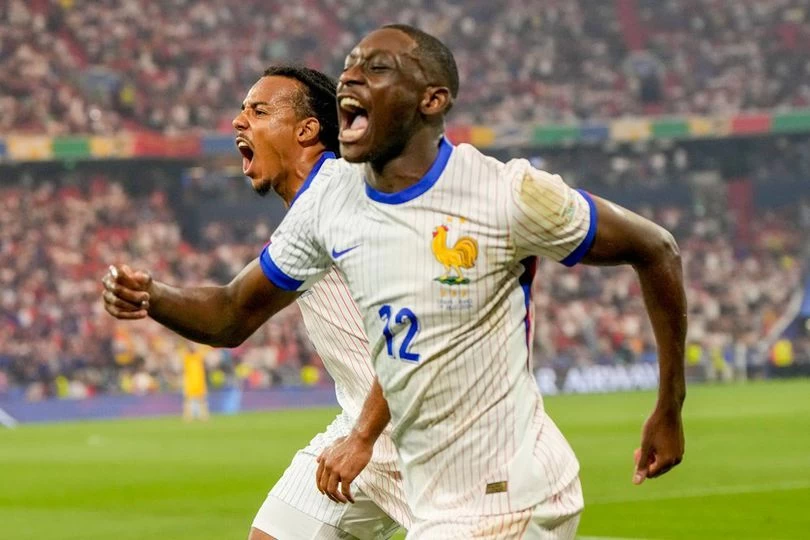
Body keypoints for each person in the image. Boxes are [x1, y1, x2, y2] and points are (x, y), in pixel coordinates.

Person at [105, 25, 686, 538]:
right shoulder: (327, 205)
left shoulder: (501, 194)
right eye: (350, 66)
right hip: (373, 433)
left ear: (431, 99)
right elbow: (232, 313)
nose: (352, 77)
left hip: (488, 479)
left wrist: (669, 405)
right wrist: (150, 295)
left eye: (376, 67)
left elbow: (655, 248)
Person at [103, 65, 411, 539]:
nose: (238, 121)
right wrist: (151, 295)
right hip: (367, 423)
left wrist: (365, 435)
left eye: (260, 111)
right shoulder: (311, 211)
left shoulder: (350, 197)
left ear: (307, 130)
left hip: (436, 432)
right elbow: (231, 315)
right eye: (242, 110)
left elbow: (423, 319)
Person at [180, 342, 210, 421]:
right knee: (188, 400)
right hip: (189, 381)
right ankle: (187, 416)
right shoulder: (186, 357)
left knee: (202, 399)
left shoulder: (199, 356)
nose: (193, 347)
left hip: (199, 381)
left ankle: (204, 416)